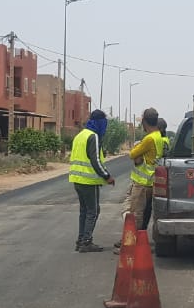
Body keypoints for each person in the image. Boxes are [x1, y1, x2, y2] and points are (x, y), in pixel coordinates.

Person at [69, 110, 114, 252]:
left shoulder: (80, 135)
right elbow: (95, 160)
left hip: (77, 179)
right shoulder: (93, 136)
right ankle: (86, 242)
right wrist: (107, 176)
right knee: (93, 211)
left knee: (84, 211)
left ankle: (81, 240)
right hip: (88, 180)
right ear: (100, 123)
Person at [124, 108, 163, 231]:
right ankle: (139, 238)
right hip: (151, 181)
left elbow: (132, 154)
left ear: (145, 122)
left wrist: (137, 146)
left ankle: (131, 240)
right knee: (144, 212)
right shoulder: (158, 136)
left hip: (142, 183)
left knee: (135, 212)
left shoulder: (149, 139)